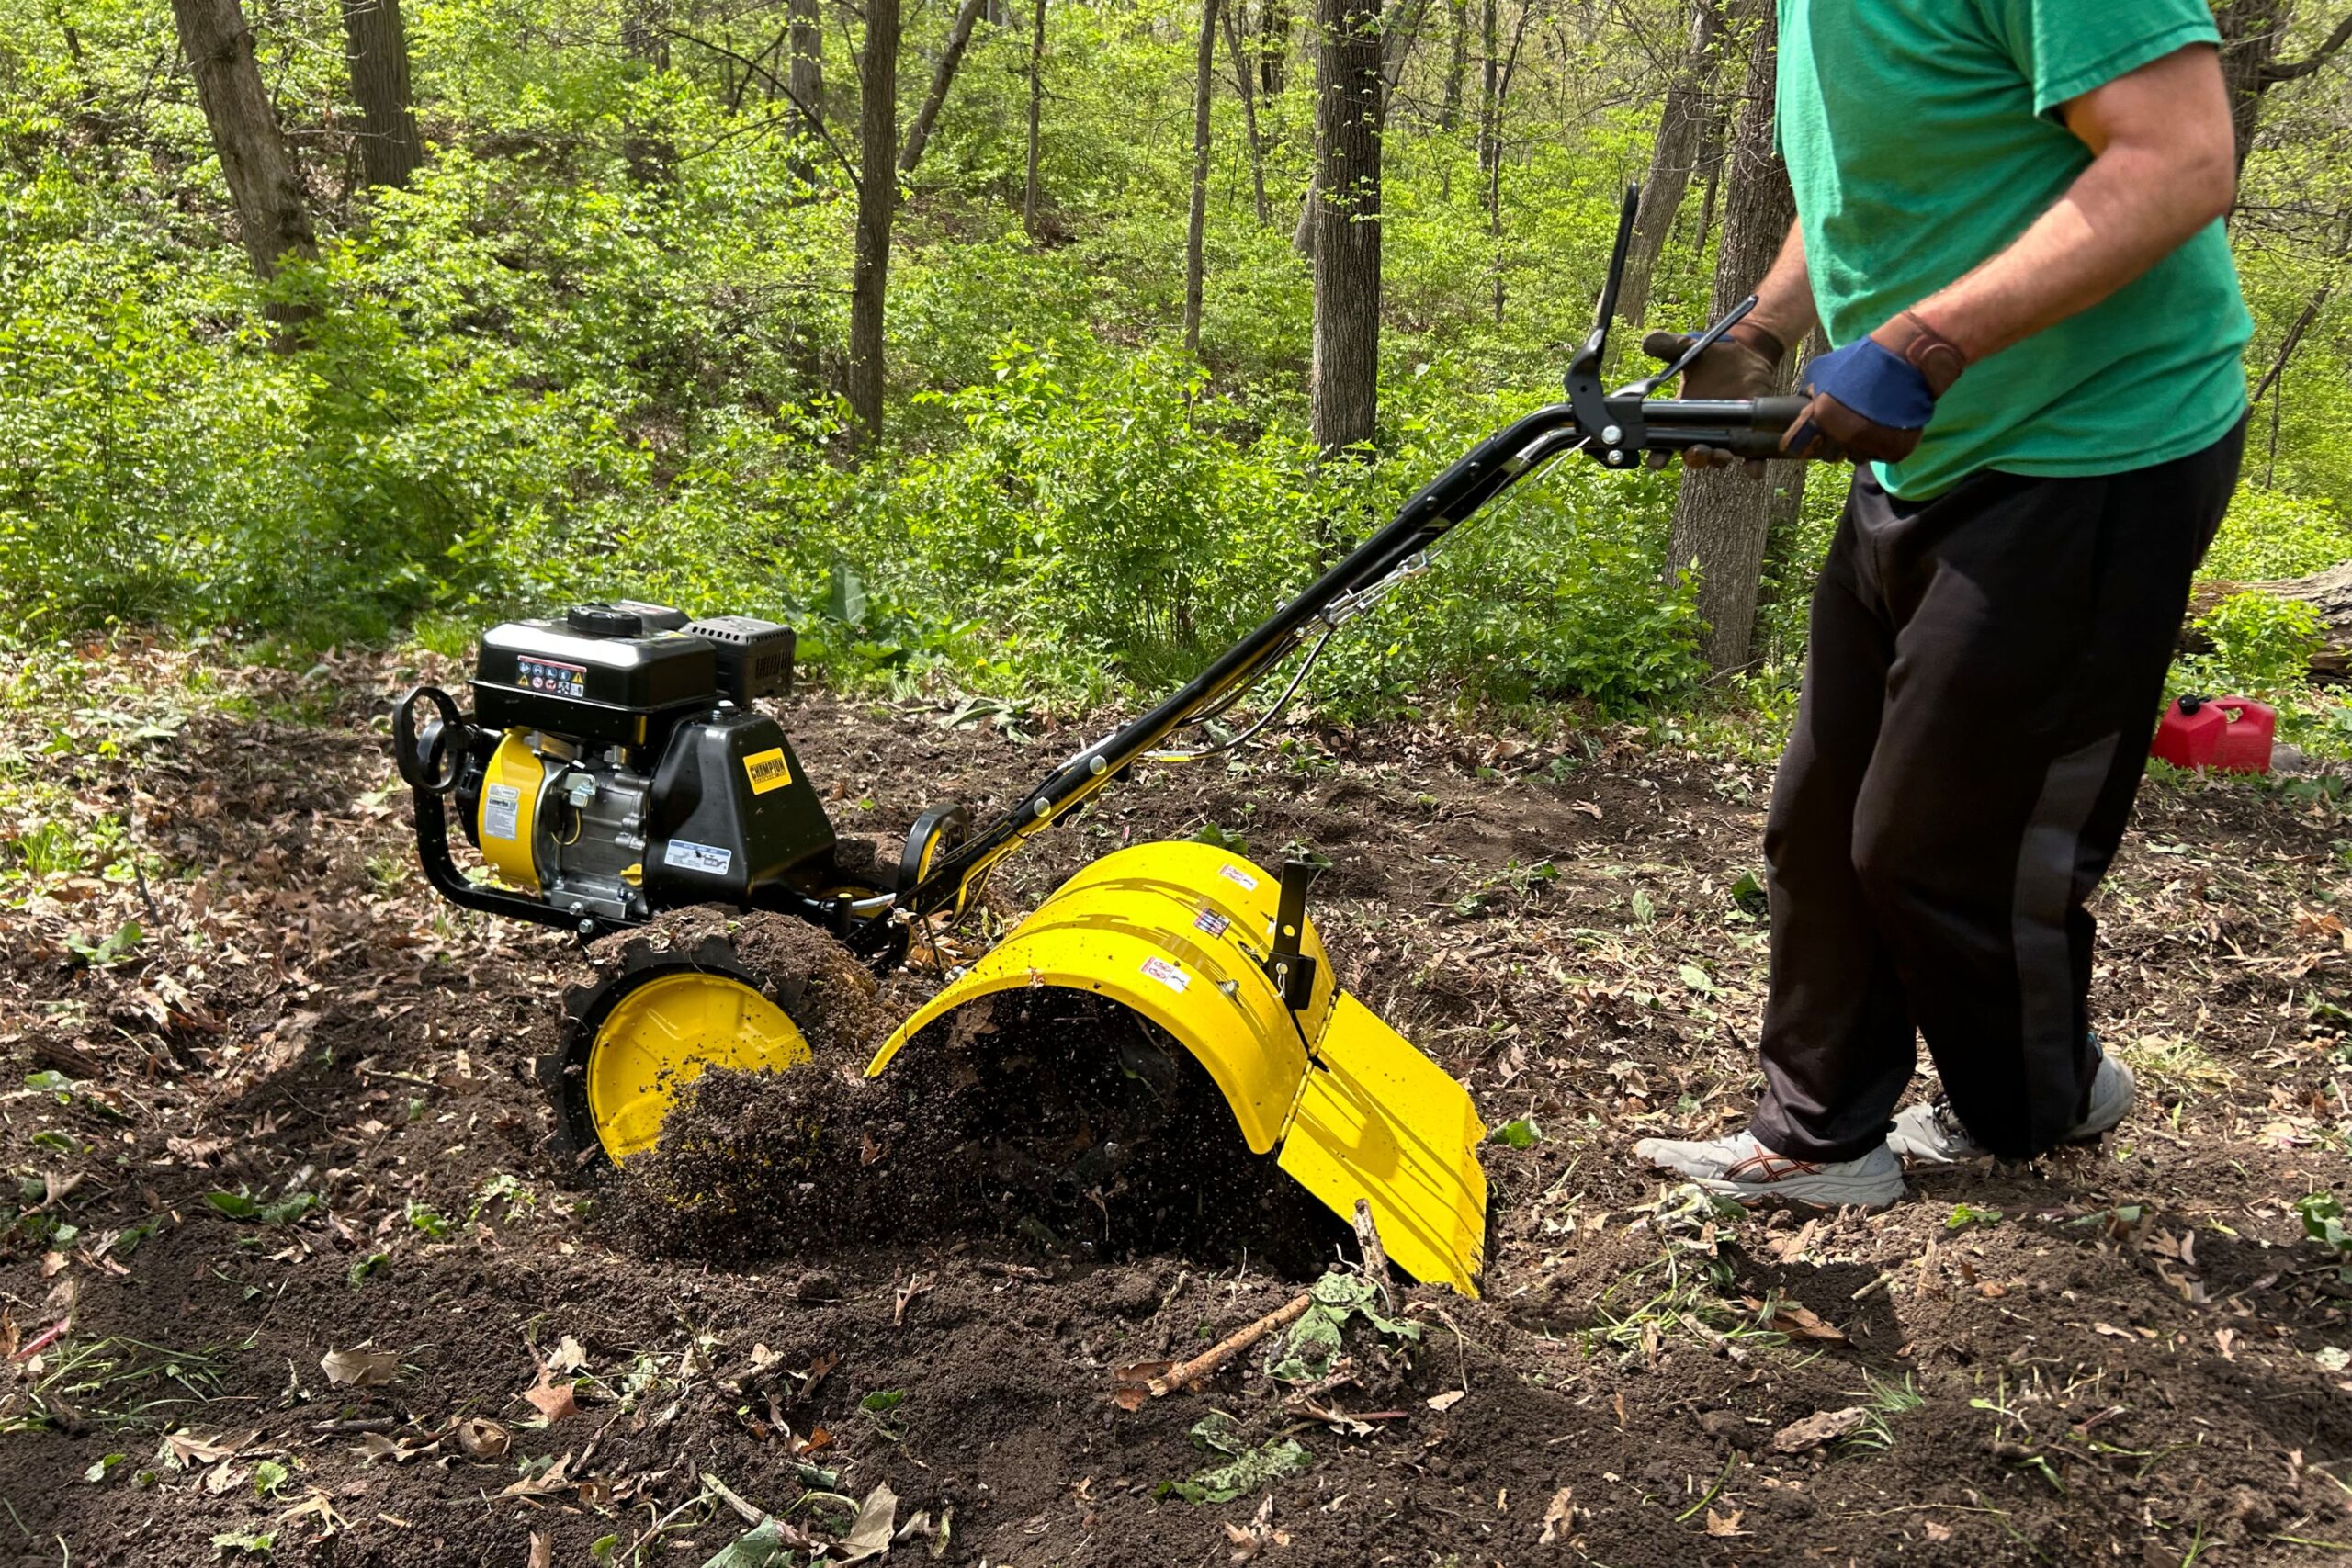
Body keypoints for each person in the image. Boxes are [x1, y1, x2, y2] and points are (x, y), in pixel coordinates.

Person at [1633, 0, 2251, 1207]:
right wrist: (1762, 328)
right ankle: (1818, 1139)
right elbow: (1884, 172)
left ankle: (2038, 1102)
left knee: (1941, 845)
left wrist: (1924, 343)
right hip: (1921, 450)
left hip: (2095, 446)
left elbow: (2179, 158)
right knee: (1819, 821)